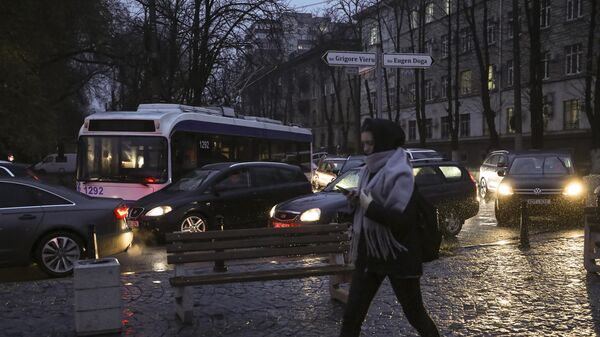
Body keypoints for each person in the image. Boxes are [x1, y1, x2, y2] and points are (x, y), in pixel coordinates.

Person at [339, 118, 439, 337]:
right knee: (351, 317)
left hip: (399, 254)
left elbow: (402, 221)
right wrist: (357, 201)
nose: (365, 150)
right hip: (370, 254)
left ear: (383, 142)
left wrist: (369, 205)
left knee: (415, 315)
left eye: (369, 144)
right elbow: (368, 205)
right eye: (363, 143)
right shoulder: (369, 169)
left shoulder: (401, 174)